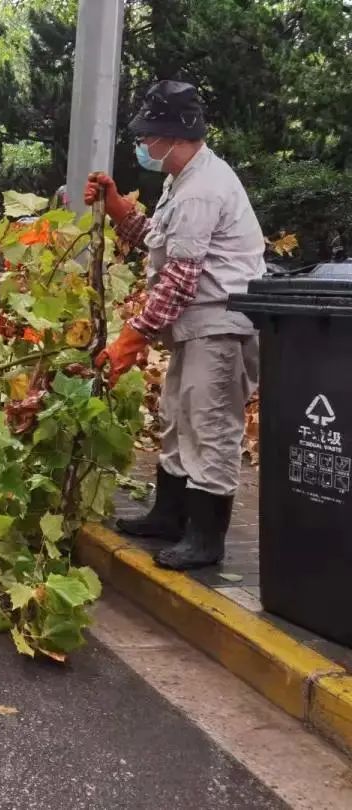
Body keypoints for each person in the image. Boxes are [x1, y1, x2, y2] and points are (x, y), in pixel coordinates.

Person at [85, 80, 263, 571]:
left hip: (220, 325)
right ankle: (169, 515)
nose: (143, 144)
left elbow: (181, 279)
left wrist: (132, 337)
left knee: (210, 426)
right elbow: (161, 240)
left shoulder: (203, 189)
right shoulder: (181, 181)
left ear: (174, 136)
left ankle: (205, 539)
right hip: (195, 326)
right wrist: (118, 207)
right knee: (177, 416)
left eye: (148, 136)